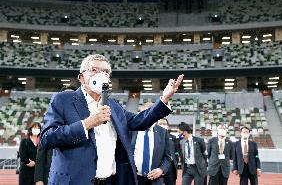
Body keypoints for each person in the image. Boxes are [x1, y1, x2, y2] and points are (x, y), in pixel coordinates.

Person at [40, 54, 184, 185]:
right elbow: (47, 138)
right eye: (94, 70)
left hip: (110, 181)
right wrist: (87, 124)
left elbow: (140, 121)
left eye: (106, 72)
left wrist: (164, 99)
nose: (101, 75)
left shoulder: (114, 106)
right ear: (82, 77)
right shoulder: (63, 100)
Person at [34, 86, 76, 185]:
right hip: (51, 177)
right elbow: (41, 155)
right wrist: (38, 179)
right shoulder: (50, 125)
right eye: (65, 96)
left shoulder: (85, 124)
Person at [157, 118, 179, 185]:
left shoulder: (173, 137)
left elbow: (176, 152)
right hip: (157, 166)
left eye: (164, 124)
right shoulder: (153, 137)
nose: (162, 125)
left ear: (167, 126)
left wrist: (176, 161)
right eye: (160, 124)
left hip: (170, 166)